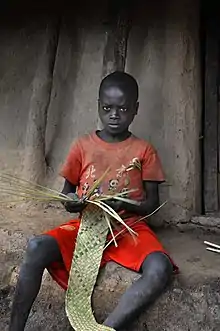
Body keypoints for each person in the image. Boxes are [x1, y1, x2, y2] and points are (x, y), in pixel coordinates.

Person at [9, 71, 177, 331]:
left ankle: (108, 328)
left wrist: (124, 205)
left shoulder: (144, 150)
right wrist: (73, 202)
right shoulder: (82, 146)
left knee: (160, 268)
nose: (114, 114)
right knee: (36, 247)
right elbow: (68, 194)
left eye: (122, 108)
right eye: (107, 107)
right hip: (86, 229)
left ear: (135, 110)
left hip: (127, 229)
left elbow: (151, 204)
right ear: (98, 105)